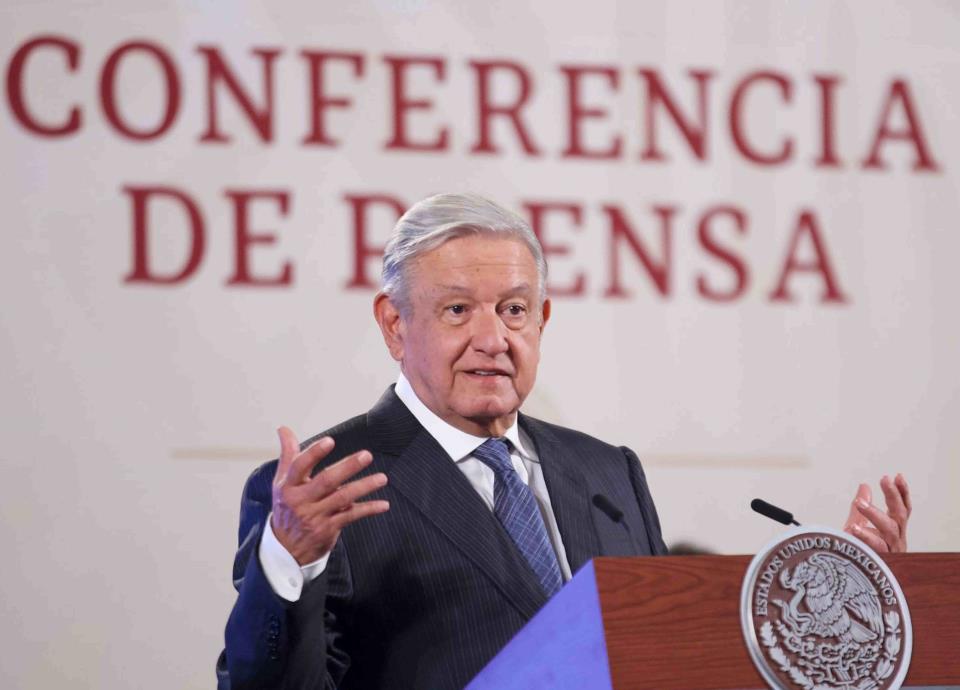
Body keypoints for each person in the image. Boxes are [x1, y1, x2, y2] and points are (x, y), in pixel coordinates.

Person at [216, 193, 911, 690]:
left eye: (514, 310)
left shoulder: (607, 472)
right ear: (395, 324)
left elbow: (670, 658)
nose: (493, 338)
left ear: (542, 320)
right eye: (457, 309)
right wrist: (291, 561)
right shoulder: (327, 489)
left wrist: (856, 590)